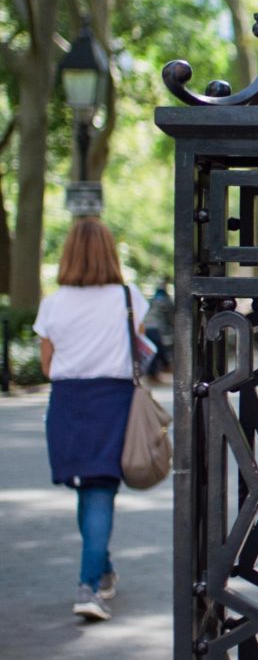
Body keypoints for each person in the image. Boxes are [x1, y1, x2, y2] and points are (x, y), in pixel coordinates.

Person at [34, 218, 148, 623]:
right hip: (112, 400)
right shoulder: (127, 296)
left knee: (87, 488)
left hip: (68, 402)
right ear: (108, 253)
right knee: (98, 491)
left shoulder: (53, 303)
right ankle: (89, 585)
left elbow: (48, 365)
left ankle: (99, 573)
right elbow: (137, 346)